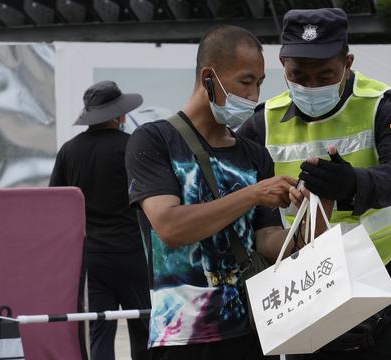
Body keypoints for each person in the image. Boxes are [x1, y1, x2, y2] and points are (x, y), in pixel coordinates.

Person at [238, 8, 391, 360]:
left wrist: (351, 184)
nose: (311, 86)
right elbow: (245, 205)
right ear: (282, 65)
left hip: (386, 291)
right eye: (299, 76)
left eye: (325, 75)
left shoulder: (384, 106)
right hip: (307, 295)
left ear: (348, 62)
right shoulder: (260, 124)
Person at [124, 25, 323, 360]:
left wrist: (308, 221)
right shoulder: (153, 141)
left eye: (260, 83)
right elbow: (170, 227)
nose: (254, 95)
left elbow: (266, 238)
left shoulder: (254, 154)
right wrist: (253, 194)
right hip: (182, 337)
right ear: (208, 77)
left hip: (252, 332)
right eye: (245, 81)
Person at [49, 81, 151, 360]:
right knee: (142, 326)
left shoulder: (69, 151)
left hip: (91, 256)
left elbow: (55, 203)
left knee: (99, 330)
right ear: (118, 115)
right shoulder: (131, 146)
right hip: (132, 253)